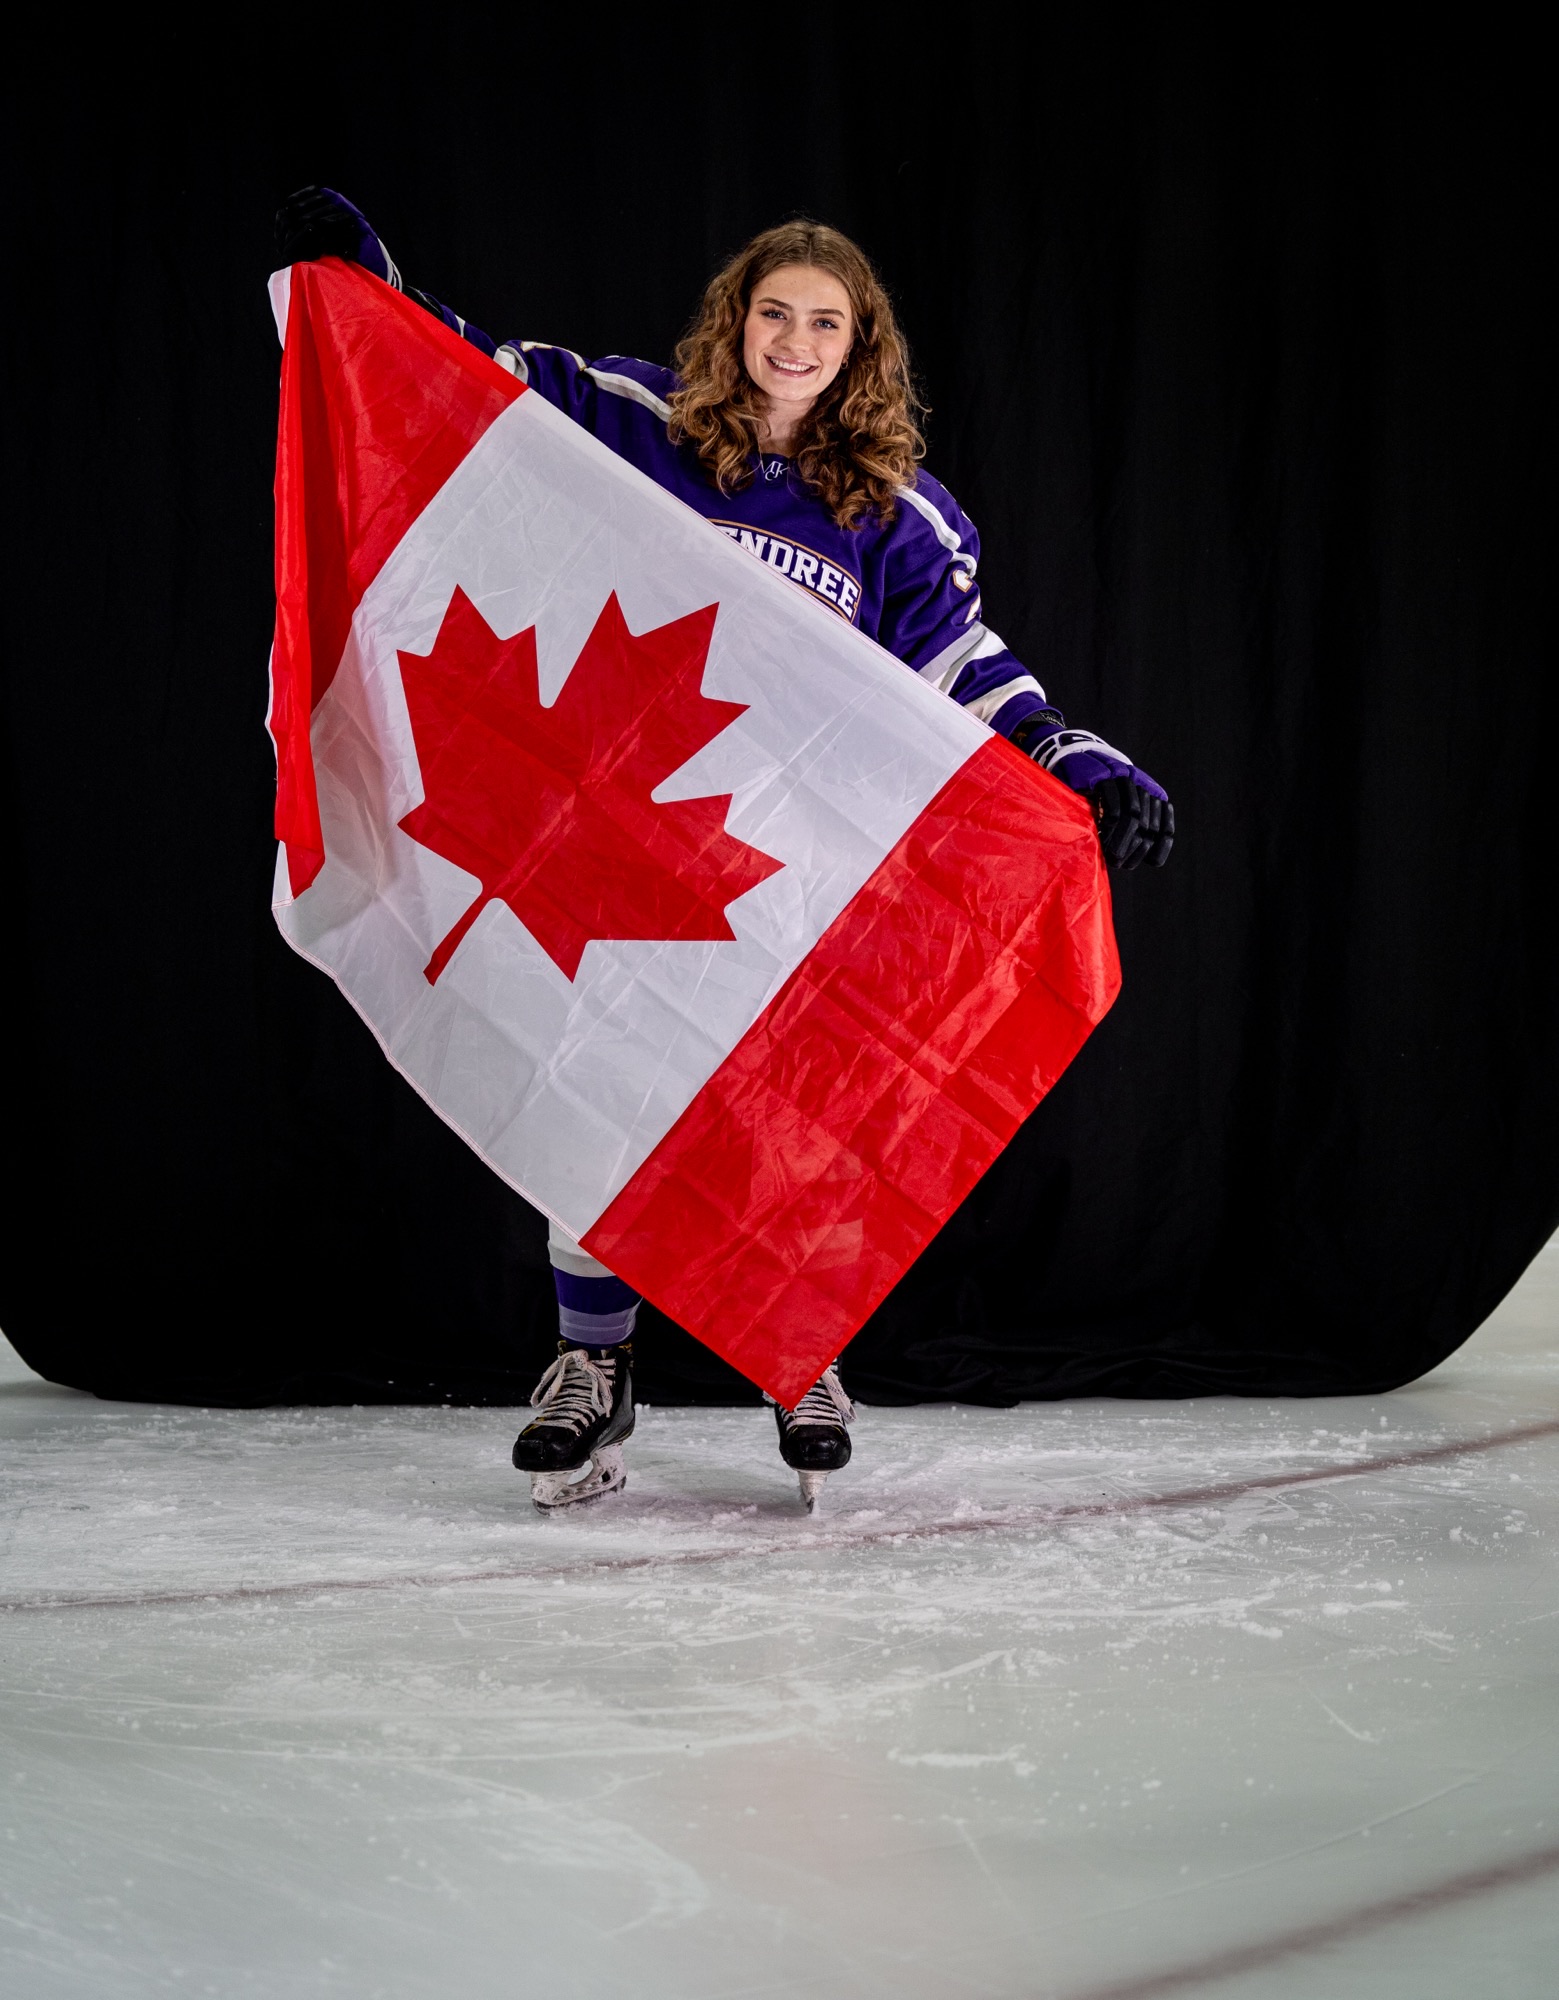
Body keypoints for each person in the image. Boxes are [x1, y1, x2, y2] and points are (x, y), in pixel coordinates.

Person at [274, 187, 1176, 1514]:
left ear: (860, 343)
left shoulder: (899, 517)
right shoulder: (640, 425)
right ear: (735, 322)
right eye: (774, 313)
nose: (796, 339)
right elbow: (486, 396)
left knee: (786, 1125)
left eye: (826, 321)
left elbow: (964, 671)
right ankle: (593, 1366)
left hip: (784, 873)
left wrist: (1076, 759)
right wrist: (377, 294)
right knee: (596, 1100)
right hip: (624, 833)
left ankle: (798, 1349)